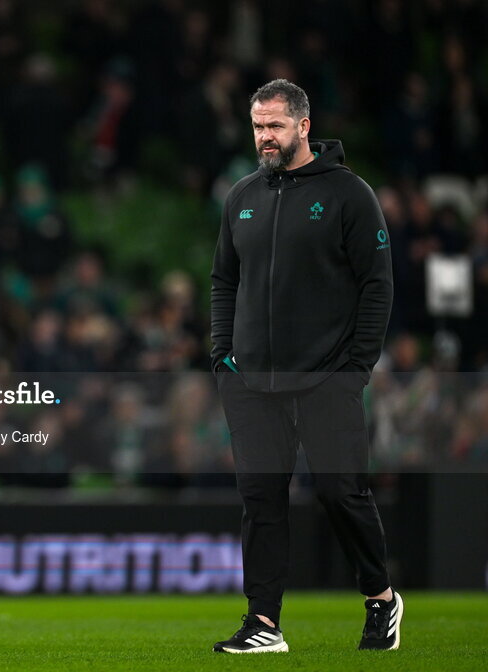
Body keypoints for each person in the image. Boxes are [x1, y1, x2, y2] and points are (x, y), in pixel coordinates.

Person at [209, 80, 401, 653]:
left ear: (304, 127)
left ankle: (381, 599)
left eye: (275, 126)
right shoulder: (240, 195)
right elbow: (224, 280)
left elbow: (378, 284)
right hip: (251, 379)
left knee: (343, 493)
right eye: (258, 127)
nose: (265, 137)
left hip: (327, 376)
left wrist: (357, 364)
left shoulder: (349, 194)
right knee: (261, 501)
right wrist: (222, 355)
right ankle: (263, 625)